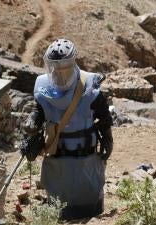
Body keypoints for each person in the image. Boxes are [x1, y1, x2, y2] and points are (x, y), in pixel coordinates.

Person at [20, 39, 113, 220]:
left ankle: (90, 211)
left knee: (87, 191)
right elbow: (38, 109)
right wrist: (33, 121)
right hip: (58, 153)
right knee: (59, 192)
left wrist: (108, 138)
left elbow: (103, 114)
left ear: (73, 63)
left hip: (85, 154)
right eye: (54, 68)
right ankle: (59, 212)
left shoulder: (89, 85)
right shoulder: (43, 85)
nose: (59, 74)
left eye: (64, 68)